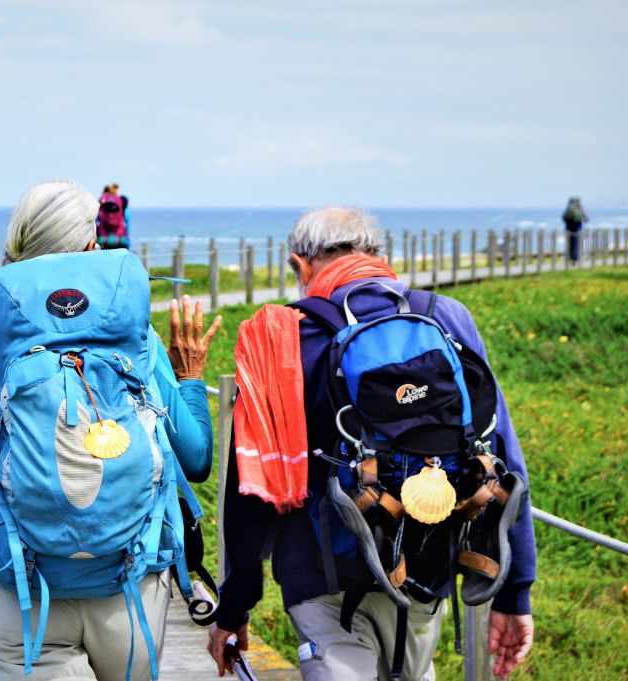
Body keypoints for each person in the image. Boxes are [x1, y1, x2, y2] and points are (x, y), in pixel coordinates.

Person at [0, 179, 222, 681]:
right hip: (129, 586)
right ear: (92, 245)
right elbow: (196, 460)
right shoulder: (137, 338)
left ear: (16, 247)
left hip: (24, 590)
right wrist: (192, 378)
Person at [207, 207, 536, 681]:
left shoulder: (283, 338)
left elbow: (250, 489)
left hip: (323, 577)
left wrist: (235, 606)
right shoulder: (445, 317)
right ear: (382, 256)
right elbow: (503, 456)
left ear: (300, 266)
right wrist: (513, 590)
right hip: (426, 565)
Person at [97, 182, 131, 249]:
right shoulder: (121, 202)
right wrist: (128, 236)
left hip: (103, 239)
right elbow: (128, 220)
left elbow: (95, 220)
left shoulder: (101, 202)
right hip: (120, 239)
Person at [562, 196, 589, 264]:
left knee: (570, 243)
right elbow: (586, 218)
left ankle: (570, 257)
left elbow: (564, 218)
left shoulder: (568, 209)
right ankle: (575, 258)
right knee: (576, 243)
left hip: (569, 229)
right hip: (577, 229)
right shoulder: (579, 209)